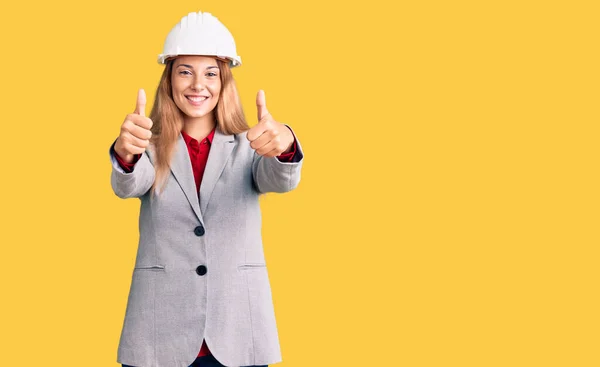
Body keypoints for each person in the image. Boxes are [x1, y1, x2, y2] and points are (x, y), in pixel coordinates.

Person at [108, 11, 304, 367]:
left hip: (238, 331)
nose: (198, 85)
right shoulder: (146, 147)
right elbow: (128, 184)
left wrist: (286, 143)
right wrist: (125, 153)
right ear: (169, 81)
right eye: (185, 71)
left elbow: (281, 178)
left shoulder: (251, 145)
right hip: (158, 334)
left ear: (224, 81)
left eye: (210, 73)